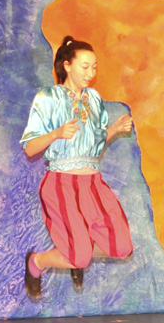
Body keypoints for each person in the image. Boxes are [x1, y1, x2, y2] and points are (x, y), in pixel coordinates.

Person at [20, 36, 135, 300]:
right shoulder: (48, 97)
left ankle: (76, 251)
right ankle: (37, 261)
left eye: (94, 67)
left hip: (93, 184)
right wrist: (56, 133)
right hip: (61, 184)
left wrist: (114, 130)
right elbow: (30, 149)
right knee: (79, 257)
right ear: (67, 65)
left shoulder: (93, 99)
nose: (90, 73)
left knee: (122, 247)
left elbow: (93, 145)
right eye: (85, 66)